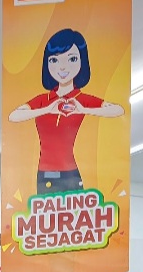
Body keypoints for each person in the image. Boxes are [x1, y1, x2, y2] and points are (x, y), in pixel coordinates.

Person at [8, 28, 124, 194]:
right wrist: (47, 109)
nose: (62, 67)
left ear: (82, 61)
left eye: (72, 59)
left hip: (72, 173)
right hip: (45, 173)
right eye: (54, 60)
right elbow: (14, 116)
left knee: (78, 211)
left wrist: (83, 109)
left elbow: (118, 110)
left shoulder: (81, 98)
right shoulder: (44, 100)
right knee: (46, 211)